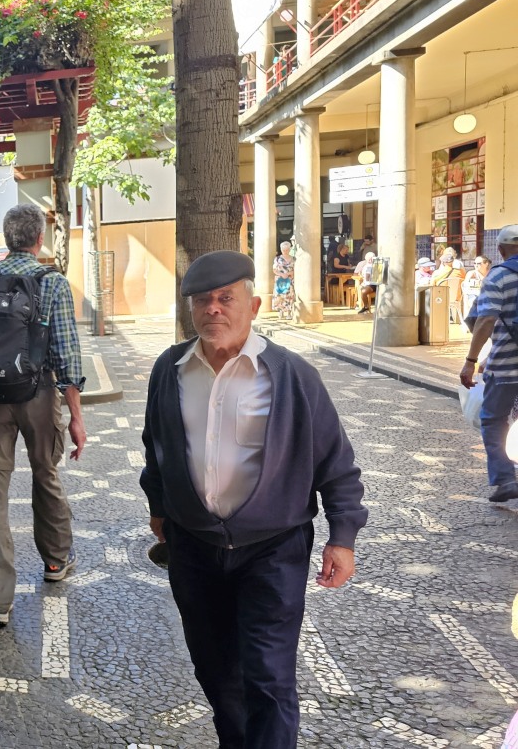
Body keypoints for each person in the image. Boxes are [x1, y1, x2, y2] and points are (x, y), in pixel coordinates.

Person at [140, 250, 366, 749]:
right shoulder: (169, 369)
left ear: (254, 305)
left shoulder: (291, 375)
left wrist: (343, 536)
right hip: (194, 549)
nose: (213, 309)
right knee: (216, 673)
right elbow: (154, 446)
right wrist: (159, 506)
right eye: (202, 300)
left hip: (273, 549)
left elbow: (336, 460)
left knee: (268, 677)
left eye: (226, 298)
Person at [0, 204, 87, 627]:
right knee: (46, 472)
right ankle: (55, 560)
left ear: (7, 237)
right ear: (39, 239)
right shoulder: (53, 283)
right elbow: (66, 353)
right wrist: (76, 416)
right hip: (39, 394)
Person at [461, 225, 518, 503]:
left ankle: (506, 479)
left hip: (506, 368)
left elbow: (485, 320)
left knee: (494, 420)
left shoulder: (499, 276)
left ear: (501, 250)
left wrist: (471, 361)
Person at [272, 241, 294, 314]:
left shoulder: (293, 259)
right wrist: (282, 274)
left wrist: (288, 273)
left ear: (289, 249)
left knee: (289, 295)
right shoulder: (277, 259)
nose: (285, 251)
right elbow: (274, 270)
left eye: (287, 250)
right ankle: (280, 311)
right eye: (283, 250)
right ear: (281, 250)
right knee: (280, 295)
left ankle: (289, 312)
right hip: (280, 280)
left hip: (290, 279)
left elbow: (296, 270)